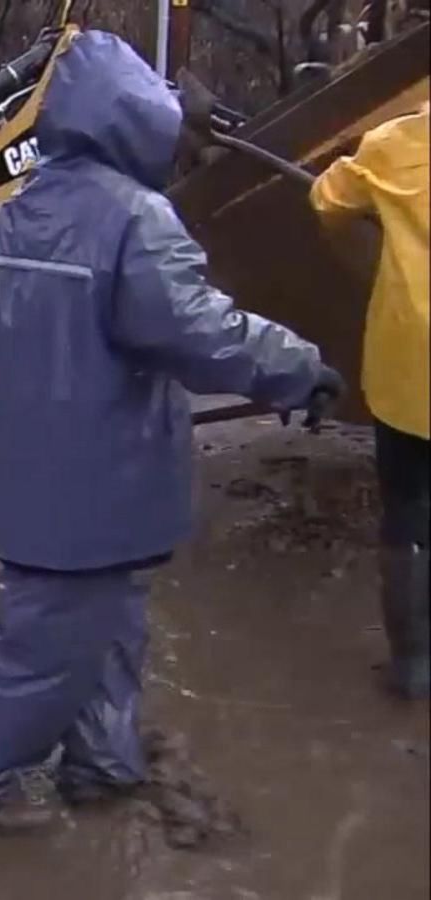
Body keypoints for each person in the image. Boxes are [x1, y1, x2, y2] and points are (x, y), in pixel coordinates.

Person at [0, 30, 344, 831]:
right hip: (97, 479)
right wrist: (298, 366)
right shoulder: (135, 220)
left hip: (39, 476)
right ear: (135, 119)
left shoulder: (21, 210)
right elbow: (199, 330)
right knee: (49, 647)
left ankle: (102, 766)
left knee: (106, 630)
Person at [310, 101, 430, 700]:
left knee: (407, 508)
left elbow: (326, 202)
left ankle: (413, 662)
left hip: (409, 366)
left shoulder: (392, 144)